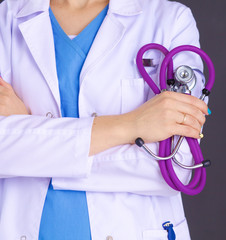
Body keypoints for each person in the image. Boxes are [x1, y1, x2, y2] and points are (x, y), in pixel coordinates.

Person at [0, 0, 209, 239]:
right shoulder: (5, 20)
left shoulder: (169, 21)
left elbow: (173, 166)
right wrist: (130, 125)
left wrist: (31, 140)